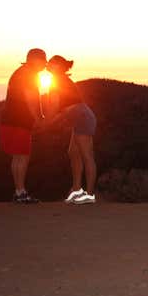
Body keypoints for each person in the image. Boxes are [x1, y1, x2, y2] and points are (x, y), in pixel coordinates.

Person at [46, 55, 98, 204]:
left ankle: (88, 195)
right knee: (73, 153)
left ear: (59, 66)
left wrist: (44, 121)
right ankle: (76, 189)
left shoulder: (57, 80)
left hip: (82, 118)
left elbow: (54, 106)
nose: (48, 64)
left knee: (86, 156)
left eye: (52, 63)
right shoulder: (59, 79)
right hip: (80, 118)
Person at [0, 48, 46, 203]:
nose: (44, 64)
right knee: (23, 156)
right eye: (43, 61)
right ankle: (21, 193)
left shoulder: (20, 72)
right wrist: (39, 117)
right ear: (34, 60)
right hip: (20, 121)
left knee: (17, 156)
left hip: (9, 119)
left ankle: (19, 191)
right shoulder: (29, 75)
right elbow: (31, 98)